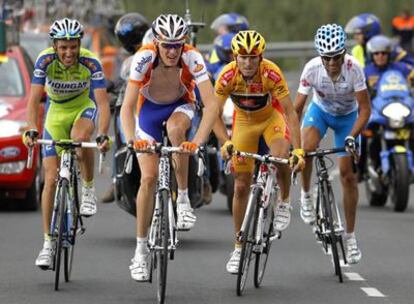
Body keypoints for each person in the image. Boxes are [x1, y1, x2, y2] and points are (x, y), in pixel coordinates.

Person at [120, 14, 219, 281]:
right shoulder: (144, 57)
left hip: (180, 106)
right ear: (157, 42)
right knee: (148, 179)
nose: (173, 51)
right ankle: (140, 252)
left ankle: (184, 199)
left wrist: (196, 142)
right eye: (167, 45)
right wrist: (132, 140)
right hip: (149, 113)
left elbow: (211, 105)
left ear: (184, 43)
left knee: (177, 132)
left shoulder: (193, 57)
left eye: (178, 45)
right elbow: (127, 107)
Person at [213, 30, 305, 274]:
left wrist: (298, 150)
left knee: (281, 154)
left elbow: (290, 113)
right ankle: (238, 246)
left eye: (253, 57)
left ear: (261, 56)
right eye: (242, 57)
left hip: (270, 119)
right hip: (243, 123)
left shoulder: (271, 72)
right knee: (241, 186)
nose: (248, 62)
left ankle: (284, 201)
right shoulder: (227, 75)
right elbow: (212, 113)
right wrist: (224, 140)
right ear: (235, 56)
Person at [22, 18, 111, 269]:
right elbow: (33, 101)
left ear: (79, 44)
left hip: (83, 108)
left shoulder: (91, 61)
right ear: (55, 46)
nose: (68, 52)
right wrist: (31, 127)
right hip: (56, 114)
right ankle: (48, 243)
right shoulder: (44, 60)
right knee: (50, 180)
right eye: (63, 47)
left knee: (80, 139)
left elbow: (103, 104)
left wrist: (103, 133)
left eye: (73, 46)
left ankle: (88, 188)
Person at [294, 24, 371, 264]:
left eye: (336, 57)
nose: (331, 63)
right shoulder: (312, 69)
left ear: (343, 53)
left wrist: (352, 136)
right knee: (306, 149)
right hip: (321, 111)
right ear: (320, 56)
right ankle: (306, 195)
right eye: (326, 58)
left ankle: (349, 236)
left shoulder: (354, 69)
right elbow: (296, 110)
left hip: (349, 118)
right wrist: (292, 142)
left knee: (348, 175)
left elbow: (366, 109)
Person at [101, 12, 150, 203]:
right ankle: (116, 179)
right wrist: (114, 88)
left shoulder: (160, 46)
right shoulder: (129, 61)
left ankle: (197, 180)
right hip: (134, 102)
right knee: (123, 139)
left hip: (156, 102)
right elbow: (124, 80)